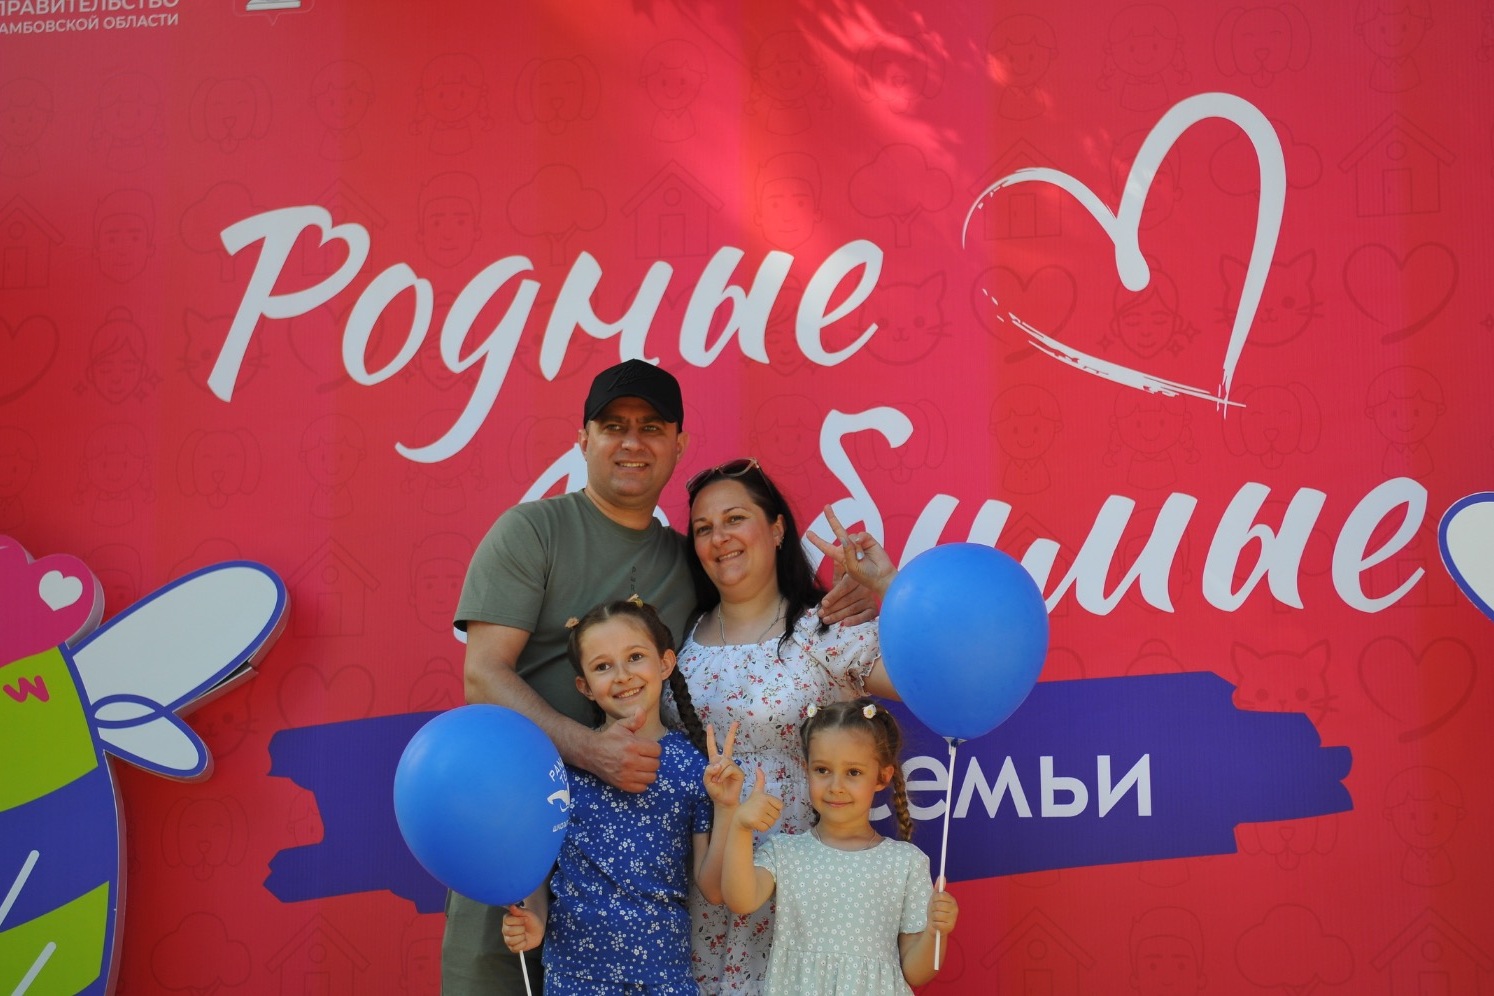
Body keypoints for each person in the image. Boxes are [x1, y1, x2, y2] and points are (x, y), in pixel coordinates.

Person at [446, 361, 873, 994]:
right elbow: (483, 676)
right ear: (583, 439)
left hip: (654, 893)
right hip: (519, 825)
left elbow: (758, 606)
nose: (632, 442)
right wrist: (589, 749)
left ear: (678, 444)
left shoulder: (690, 560)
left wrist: (864, 596)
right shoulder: (532, 531)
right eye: (612, 426)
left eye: (651, 427)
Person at [676, 458, 900, 993]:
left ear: (777, 529)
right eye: (704, 528)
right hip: (709, 875)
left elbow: (928, 680)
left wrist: (887, 585)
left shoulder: (824, 627)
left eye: (735, 519)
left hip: (804, 876)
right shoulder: (683, 638)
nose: (719, 538)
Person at [501, 598, 726, 994]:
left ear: (665, 663)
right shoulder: (563, 768)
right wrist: (533, 916)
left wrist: (729, 810)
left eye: (635, 657)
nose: (622, 676)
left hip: (662, 975)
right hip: (575, 976)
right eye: (603, 666)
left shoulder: (695, 766)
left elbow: (712, 886)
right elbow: (538, 860)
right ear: (585, 687)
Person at [714, 698, 958, 995]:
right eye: (822, 770)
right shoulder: (785, 852)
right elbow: (740, 899)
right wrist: (740, 826)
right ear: (806, 769)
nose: (835, 786)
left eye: (853, 772)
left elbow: (917, 973)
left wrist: (935, 932)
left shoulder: (905, 862)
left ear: (882, 776)